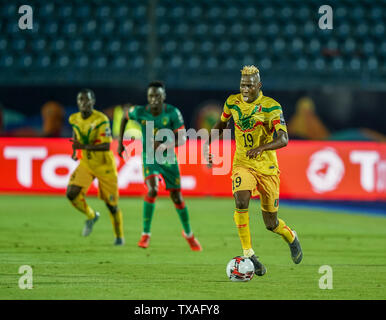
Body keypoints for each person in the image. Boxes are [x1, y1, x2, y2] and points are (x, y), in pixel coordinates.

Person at [204, 66, 303, 276]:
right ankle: (248, 254)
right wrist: (207, 146)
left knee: (271, 223)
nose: (245, 89)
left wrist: (261, 148)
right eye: (242, 85)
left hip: (267, 168)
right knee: (241, 201)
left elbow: (283, 138)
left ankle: (291, 237)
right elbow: (221, 124)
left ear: (259, 85)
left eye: (250, 85)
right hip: (242, 163)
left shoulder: (271, 107)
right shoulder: (232, 102)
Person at [117, 81, 202, 251]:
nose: (154, 99)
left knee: (177, 198)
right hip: (149, 157)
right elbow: (125, 117)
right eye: (150, 96)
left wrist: (164, 146)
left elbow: (183, 138)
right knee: (152, 189)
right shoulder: (140, 112)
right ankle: (145, 234)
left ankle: (188, 234)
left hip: (168, 158)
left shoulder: (172, 113)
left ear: (163, 96)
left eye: (157, 95)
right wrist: (120, 143)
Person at [66, 89, 124, 245]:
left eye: (87, 100)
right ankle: (92, 216)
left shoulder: (101, 119)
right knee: (71, 193)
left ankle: (119, 237)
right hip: (86, 162)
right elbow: (75, 133)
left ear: (93, 102)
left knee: (111, 205)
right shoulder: (74, 118)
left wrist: (83, 146)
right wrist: (74, 150)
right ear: (78, 102)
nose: (84, 103)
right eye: (81, 100)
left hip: (104, 165)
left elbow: (106, 145)